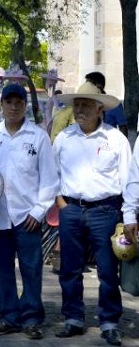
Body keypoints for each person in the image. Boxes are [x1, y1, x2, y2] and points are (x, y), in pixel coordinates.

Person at [52, 81, 130, 346]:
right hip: (71, 209)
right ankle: (73, 318)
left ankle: (109, 322)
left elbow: (128, 179)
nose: (80, 109)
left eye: (86, 104)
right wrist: (63, 205)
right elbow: (53, 176)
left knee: (108, 271)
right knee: (69, 270)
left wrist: (126, 215)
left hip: (105, 211)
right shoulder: (64, 138)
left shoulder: (115, 139)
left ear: (100, 109)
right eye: (77, 104)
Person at [0, 84, 59, 340]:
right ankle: (8, 316)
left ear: (25, 105)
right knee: (1, 268)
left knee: (31, 268)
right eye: (9, 102)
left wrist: (38, 211)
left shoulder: (38, 137)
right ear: (1, 104)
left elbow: (49, 179)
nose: (14, 106)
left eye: (19, 102)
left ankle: (31, 317)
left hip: (28, 217)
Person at [85, 71, 128, 136]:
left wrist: (121, 144)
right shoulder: (84, 104)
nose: (86, 87)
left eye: (89, 84)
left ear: (99, 86)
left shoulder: (114, 104)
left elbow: (123, 127)